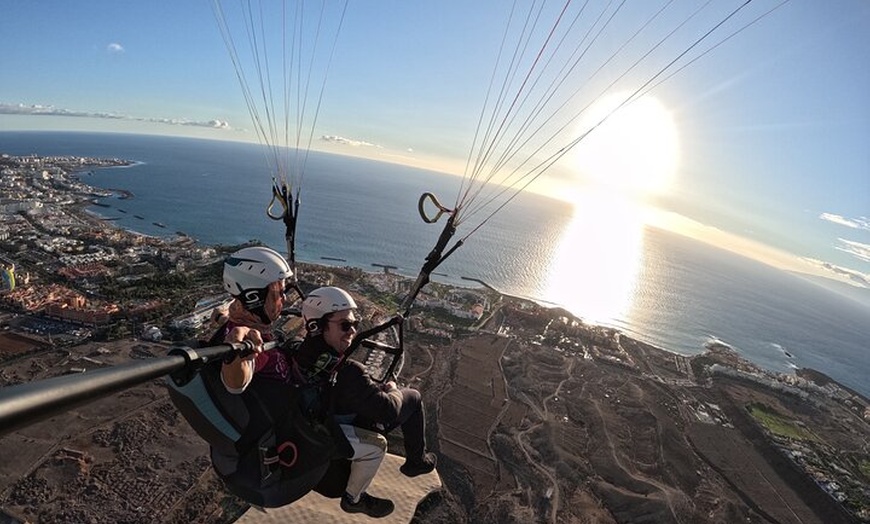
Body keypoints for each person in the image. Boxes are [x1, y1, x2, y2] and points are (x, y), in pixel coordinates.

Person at [294, 286, 437, 518]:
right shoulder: (348, 371)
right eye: (344, 325)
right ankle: (359, 495)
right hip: (332, 438)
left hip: (318, 426)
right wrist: (391, 389)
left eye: (354, 324)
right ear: (317, 326)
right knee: (412, 398)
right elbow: (388, 412)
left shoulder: (300, 354)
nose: (352, 331)